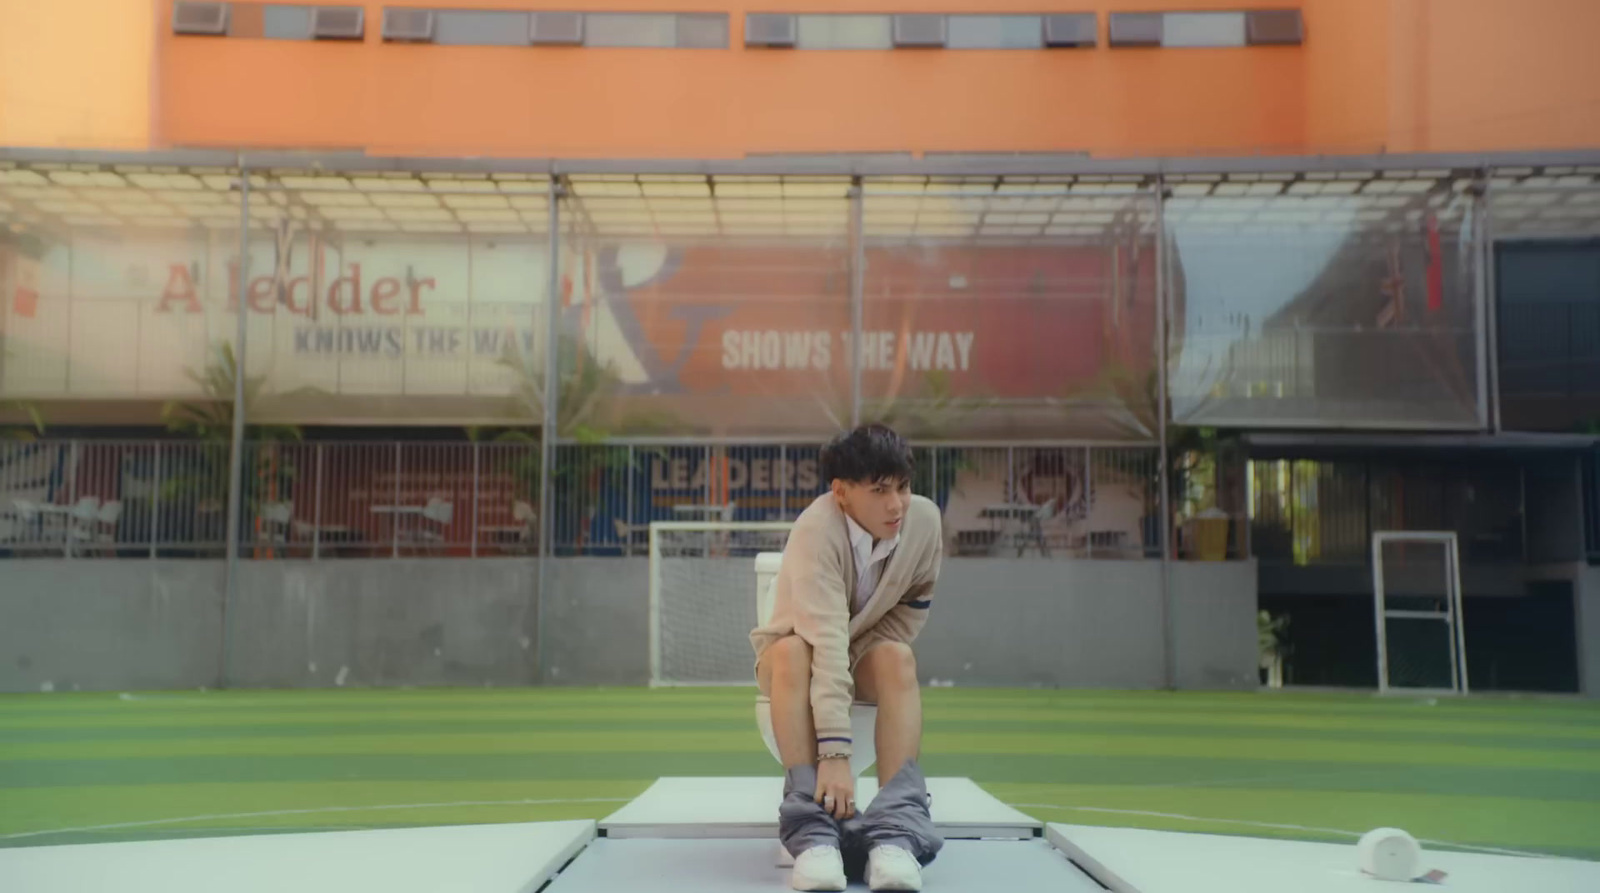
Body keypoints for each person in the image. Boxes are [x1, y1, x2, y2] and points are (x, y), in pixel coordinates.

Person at [750, 424, 945, 892]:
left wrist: (869, 656)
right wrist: (834, 753)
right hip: (793, 656)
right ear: (841, 493)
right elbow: (826, 642)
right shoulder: (817, 529)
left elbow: (910, 610)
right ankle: (813, 831)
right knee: (796, 652)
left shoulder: (924, 522)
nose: (895, 504)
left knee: (898, 658)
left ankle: (895, 834)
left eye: (902, 486)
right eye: (879, 491)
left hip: (854, 654)